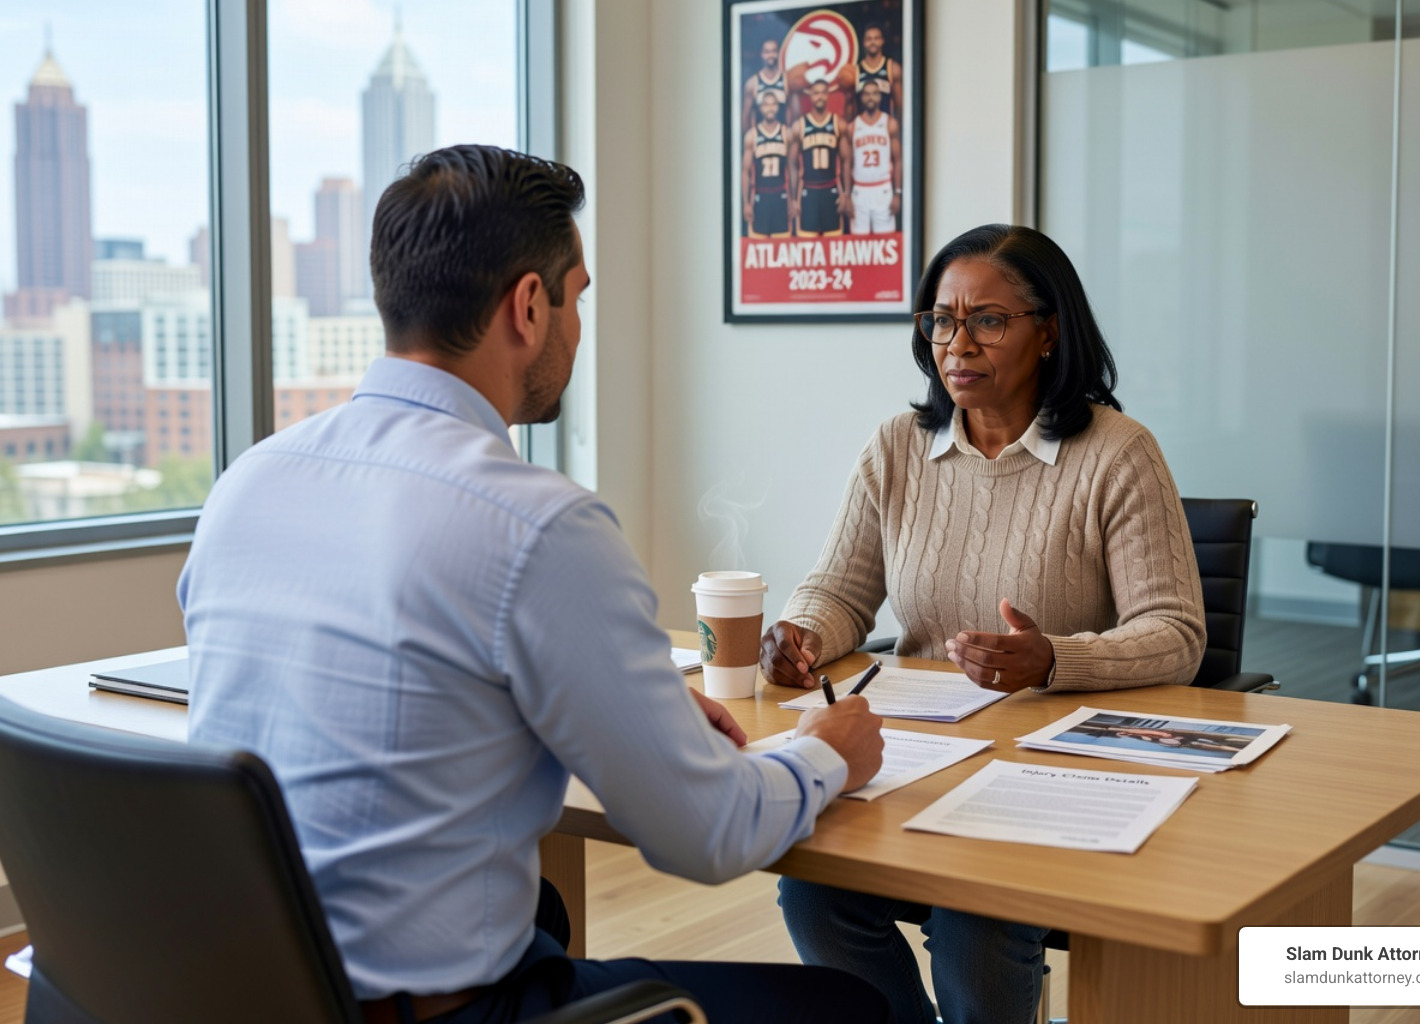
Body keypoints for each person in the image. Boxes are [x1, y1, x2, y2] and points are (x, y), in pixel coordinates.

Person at [181, 145, 891, 1024]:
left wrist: (633, 718)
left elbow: (414, 707)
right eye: (578, 296)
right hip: (428, 1012)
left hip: (240, 989)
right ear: (528, 305)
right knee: (857, 1009)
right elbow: (707, 836)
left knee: (546, 917)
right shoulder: (538, 525)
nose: (579, 326)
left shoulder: (249, 482)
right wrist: (826, 750)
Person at [759, 224, 1206, 1024]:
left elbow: (1175, 631)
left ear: (1049, 331)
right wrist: (802, 634)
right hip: (918, 753)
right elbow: (839, 589)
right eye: (940, 320)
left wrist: (1052, 661)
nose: (956, 344)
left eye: (987, 321)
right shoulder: (897, 447)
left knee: (975, 916)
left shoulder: (1117, 453)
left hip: (1052, 766)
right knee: (813, 888)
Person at [788, 80, 850, 236]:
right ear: (810, 96)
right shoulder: (799, 126)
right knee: (807, 244)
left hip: (831, 190)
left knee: (834, 244)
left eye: (823, 92)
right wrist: (793, 198)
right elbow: (792, 164)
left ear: (828, 95)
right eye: (816, 93)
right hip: (808, 191)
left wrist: (846, 194)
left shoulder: (838, 124)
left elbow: (846, 162)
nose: (820, 96)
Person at [849, 78, 901, 235]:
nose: (870, 97)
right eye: (867, 94)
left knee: (886, 242)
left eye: (874, 94)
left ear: (880, 96)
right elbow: (847, 164)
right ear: (861, 97)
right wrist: (847, 194)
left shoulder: (890, 123)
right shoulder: (853, 126)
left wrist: (898, 193)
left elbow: (898, 161)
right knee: (858, 246)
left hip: (882, 189)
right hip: (860, 189)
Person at [743, 92, 790, 238]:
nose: (770, 108)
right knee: (758, 246)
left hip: (780, 196)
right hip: (760, 197)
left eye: (773, 104)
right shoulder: (752, 135)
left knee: (782, 246)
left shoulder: (786, 133)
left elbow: (793, 168)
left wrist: (793, 200)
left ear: (778, 107)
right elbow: (745, 171)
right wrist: (745, 203)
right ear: (760, 108)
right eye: (766, 104)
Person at [854, 24, 903, 122]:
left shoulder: (892, 68)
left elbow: (899, 105)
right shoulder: (855, 71)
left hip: (885, 128)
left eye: (876, 38)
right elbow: (851, 107)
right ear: (863, 42)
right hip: (862, 130)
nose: (873, 42)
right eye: (869, 39)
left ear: (882, 41)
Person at [742, 36, 787, 131]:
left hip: (782, 142)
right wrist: (749, 139)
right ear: (761, 54)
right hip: (759, 143)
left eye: (773, 51)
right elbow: (746, 116)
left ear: (778, 53)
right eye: (767, 52)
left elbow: (792, 114)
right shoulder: (752, 83)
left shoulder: (786, 81)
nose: (770, 55)